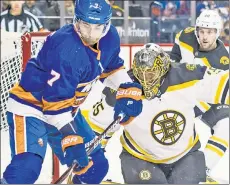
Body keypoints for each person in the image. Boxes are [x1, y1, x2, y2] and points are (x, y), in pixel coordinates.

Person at [1, 0, 142, 184]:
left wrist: (126, 87)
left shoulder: (110, 37)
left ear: (107, 24)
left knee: (96, 166)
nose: (91, 34)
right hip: (31, 108)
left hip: (67, 109)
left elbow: (111, 68)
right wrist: (71, 136)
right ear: (76, 20)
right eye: (85, 25)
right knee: (26, 170)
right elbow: (54, 105)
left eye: (98, 27)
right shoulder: (63, 46)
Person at [84, 43, 229, 184]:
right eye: (141, 74)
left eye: (151, 74)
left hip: (186, 155)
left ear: (163, 70)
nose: (146, 81)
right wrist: (93, 156)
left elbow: (224, 83)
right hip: (139, 158)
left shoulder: (188, 76)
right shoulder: (121, 87)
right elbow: (97, 127)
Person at [170, 9, 229, 178]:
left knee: (226, 126)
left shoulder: (222, 61)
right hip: (176, 91)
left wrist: (191, 110)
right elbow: (175, 54)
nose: (204, 37)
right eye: (201, 31)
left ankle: (202, 171)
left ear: (217, 32)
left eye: (210, 32)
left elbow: (214, 93)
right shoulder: (185, 36)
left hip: (203, 100)